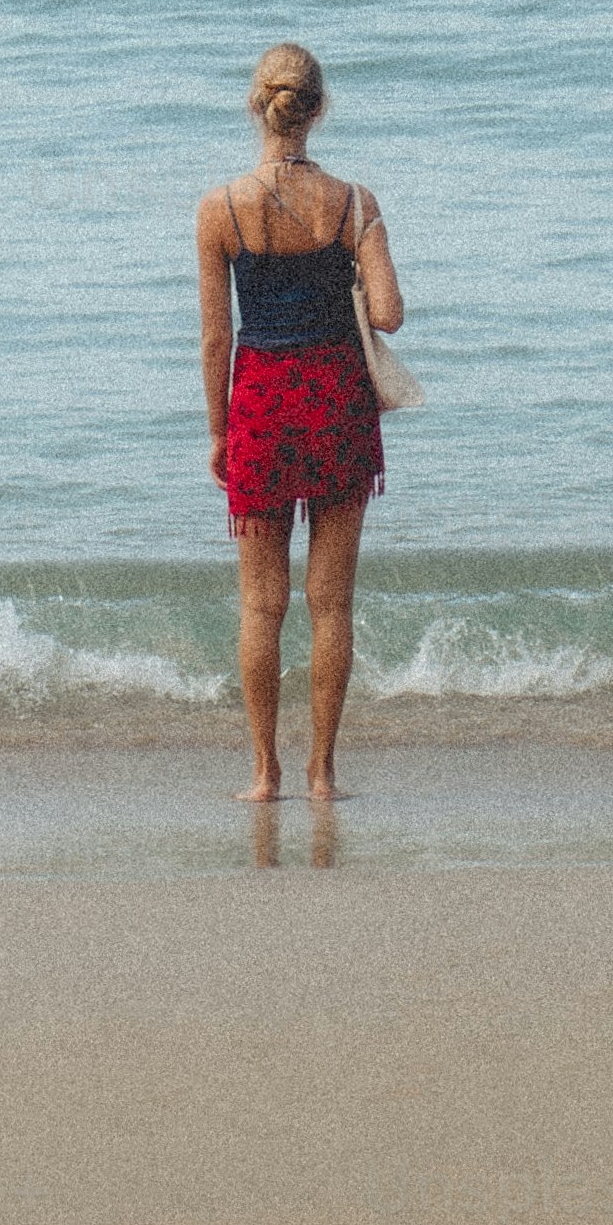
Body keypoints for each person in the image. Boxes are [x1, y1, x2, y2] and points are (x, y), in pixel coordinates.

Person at [195, 41, 403, 804]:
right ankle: (322, 772)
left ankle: (262, 773)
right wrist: (359, 251)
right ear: (317, 109)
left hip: (259, 401)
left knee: (260, 603)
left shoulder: (219, 208)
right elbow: (387, 314)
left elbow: (216, 336)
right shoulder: (355, 203)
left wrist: (219, 432)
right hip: (336, 398)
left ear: (256, 105)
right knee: (332, 602)